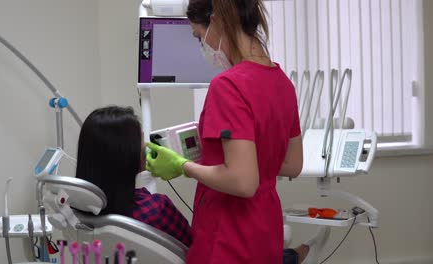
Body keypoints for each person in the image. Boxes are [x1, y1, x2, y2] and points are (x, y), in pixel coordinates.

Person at [145, 0, 304, 263]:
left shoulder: (228, 85)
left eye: (199, 36)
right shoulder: (282, 82)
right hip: (265, 232)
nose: (203, 47)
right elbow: (292, 164)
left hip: (228, 238)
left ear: (216, 21)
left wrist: (182, 165)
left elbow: (243, 181)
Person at [75, 106, 192, 246]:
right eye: (142, 139)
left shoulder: (78, 211)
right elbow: (194, 250)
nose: (146, 146)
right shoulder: (156, 209)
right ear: (127, 153)